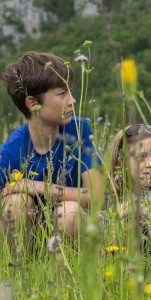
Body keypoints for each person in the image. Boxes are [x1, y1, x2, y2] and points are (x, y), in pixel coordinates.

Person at [0, 51, 101, 236]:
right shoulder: (10, 151)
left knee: (69, 211)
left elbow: (97, 198)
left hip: (71, 226)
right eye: (62, 94)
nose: (73, 100)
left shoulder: (80, 129)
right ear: (32, 103)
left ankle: (69, 265)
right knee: (13, 205)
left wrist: (38, 187)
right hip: (31, 230)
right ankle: (23, 263)